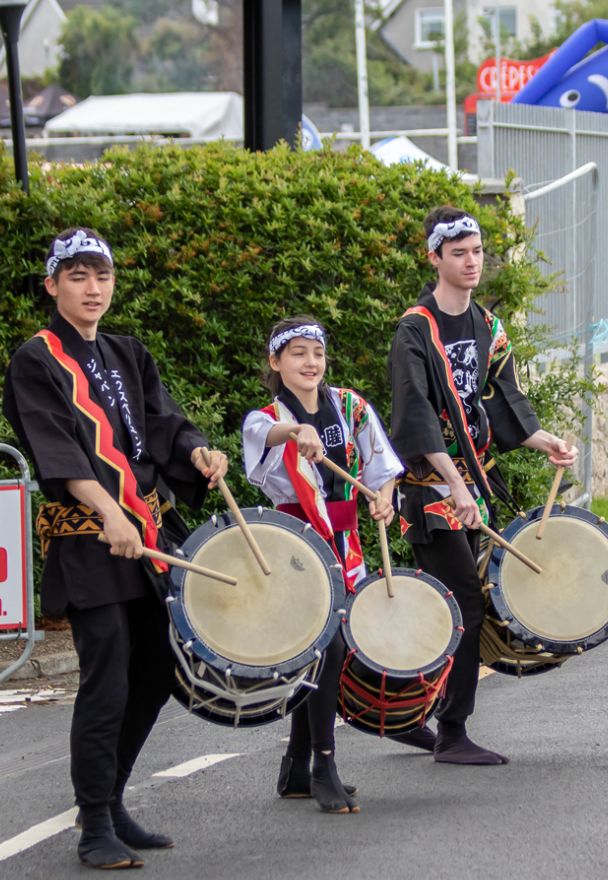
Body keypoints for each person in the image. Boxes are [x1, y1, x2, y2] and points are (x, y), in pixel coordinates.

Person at [2, 228, 230, 869]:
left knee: (156, 670)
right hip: (89, 541)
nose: (92, 288)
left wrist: (196, 450)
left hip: (145, 537)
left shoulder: (128, 353)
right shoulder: (37, 359)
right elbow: (58, 449)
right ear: (52, 285)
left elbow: (163, 422)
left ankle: (111, 797)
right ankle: (94, 823)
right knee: (107, 676)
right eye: (77, 276)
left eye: (101, 276)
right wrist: (109, 513)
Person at [387, 206, 577, 765]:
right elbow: (414, 415)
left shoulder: (488, 326)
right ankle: (452, 730)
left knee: (440, 605)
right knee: (463, 602)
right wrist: (454, 484)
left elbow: (503, 396)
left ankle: (406, 711)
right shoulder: (415, 329)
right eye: (460, 253)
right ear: (435, 258)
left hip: (473, 482)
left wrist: (545, 440)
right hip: (431, 486)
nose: (472, 263)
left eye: (477, 252)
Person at [242, 316, 404, 814]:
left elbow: (383, 468)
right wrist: (298, 430)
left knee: (330, 650)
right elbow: (265, 435)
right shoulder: (266, 416)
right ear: (275, 362)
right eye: (297, 353)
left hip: (346, 541)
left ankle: (296, 765)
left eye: (316, 352)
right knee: (327, 650)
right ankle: (323, 765)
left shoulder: (351, 405)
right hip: (298, 549)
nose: (310, 362)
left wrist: (385, 498)